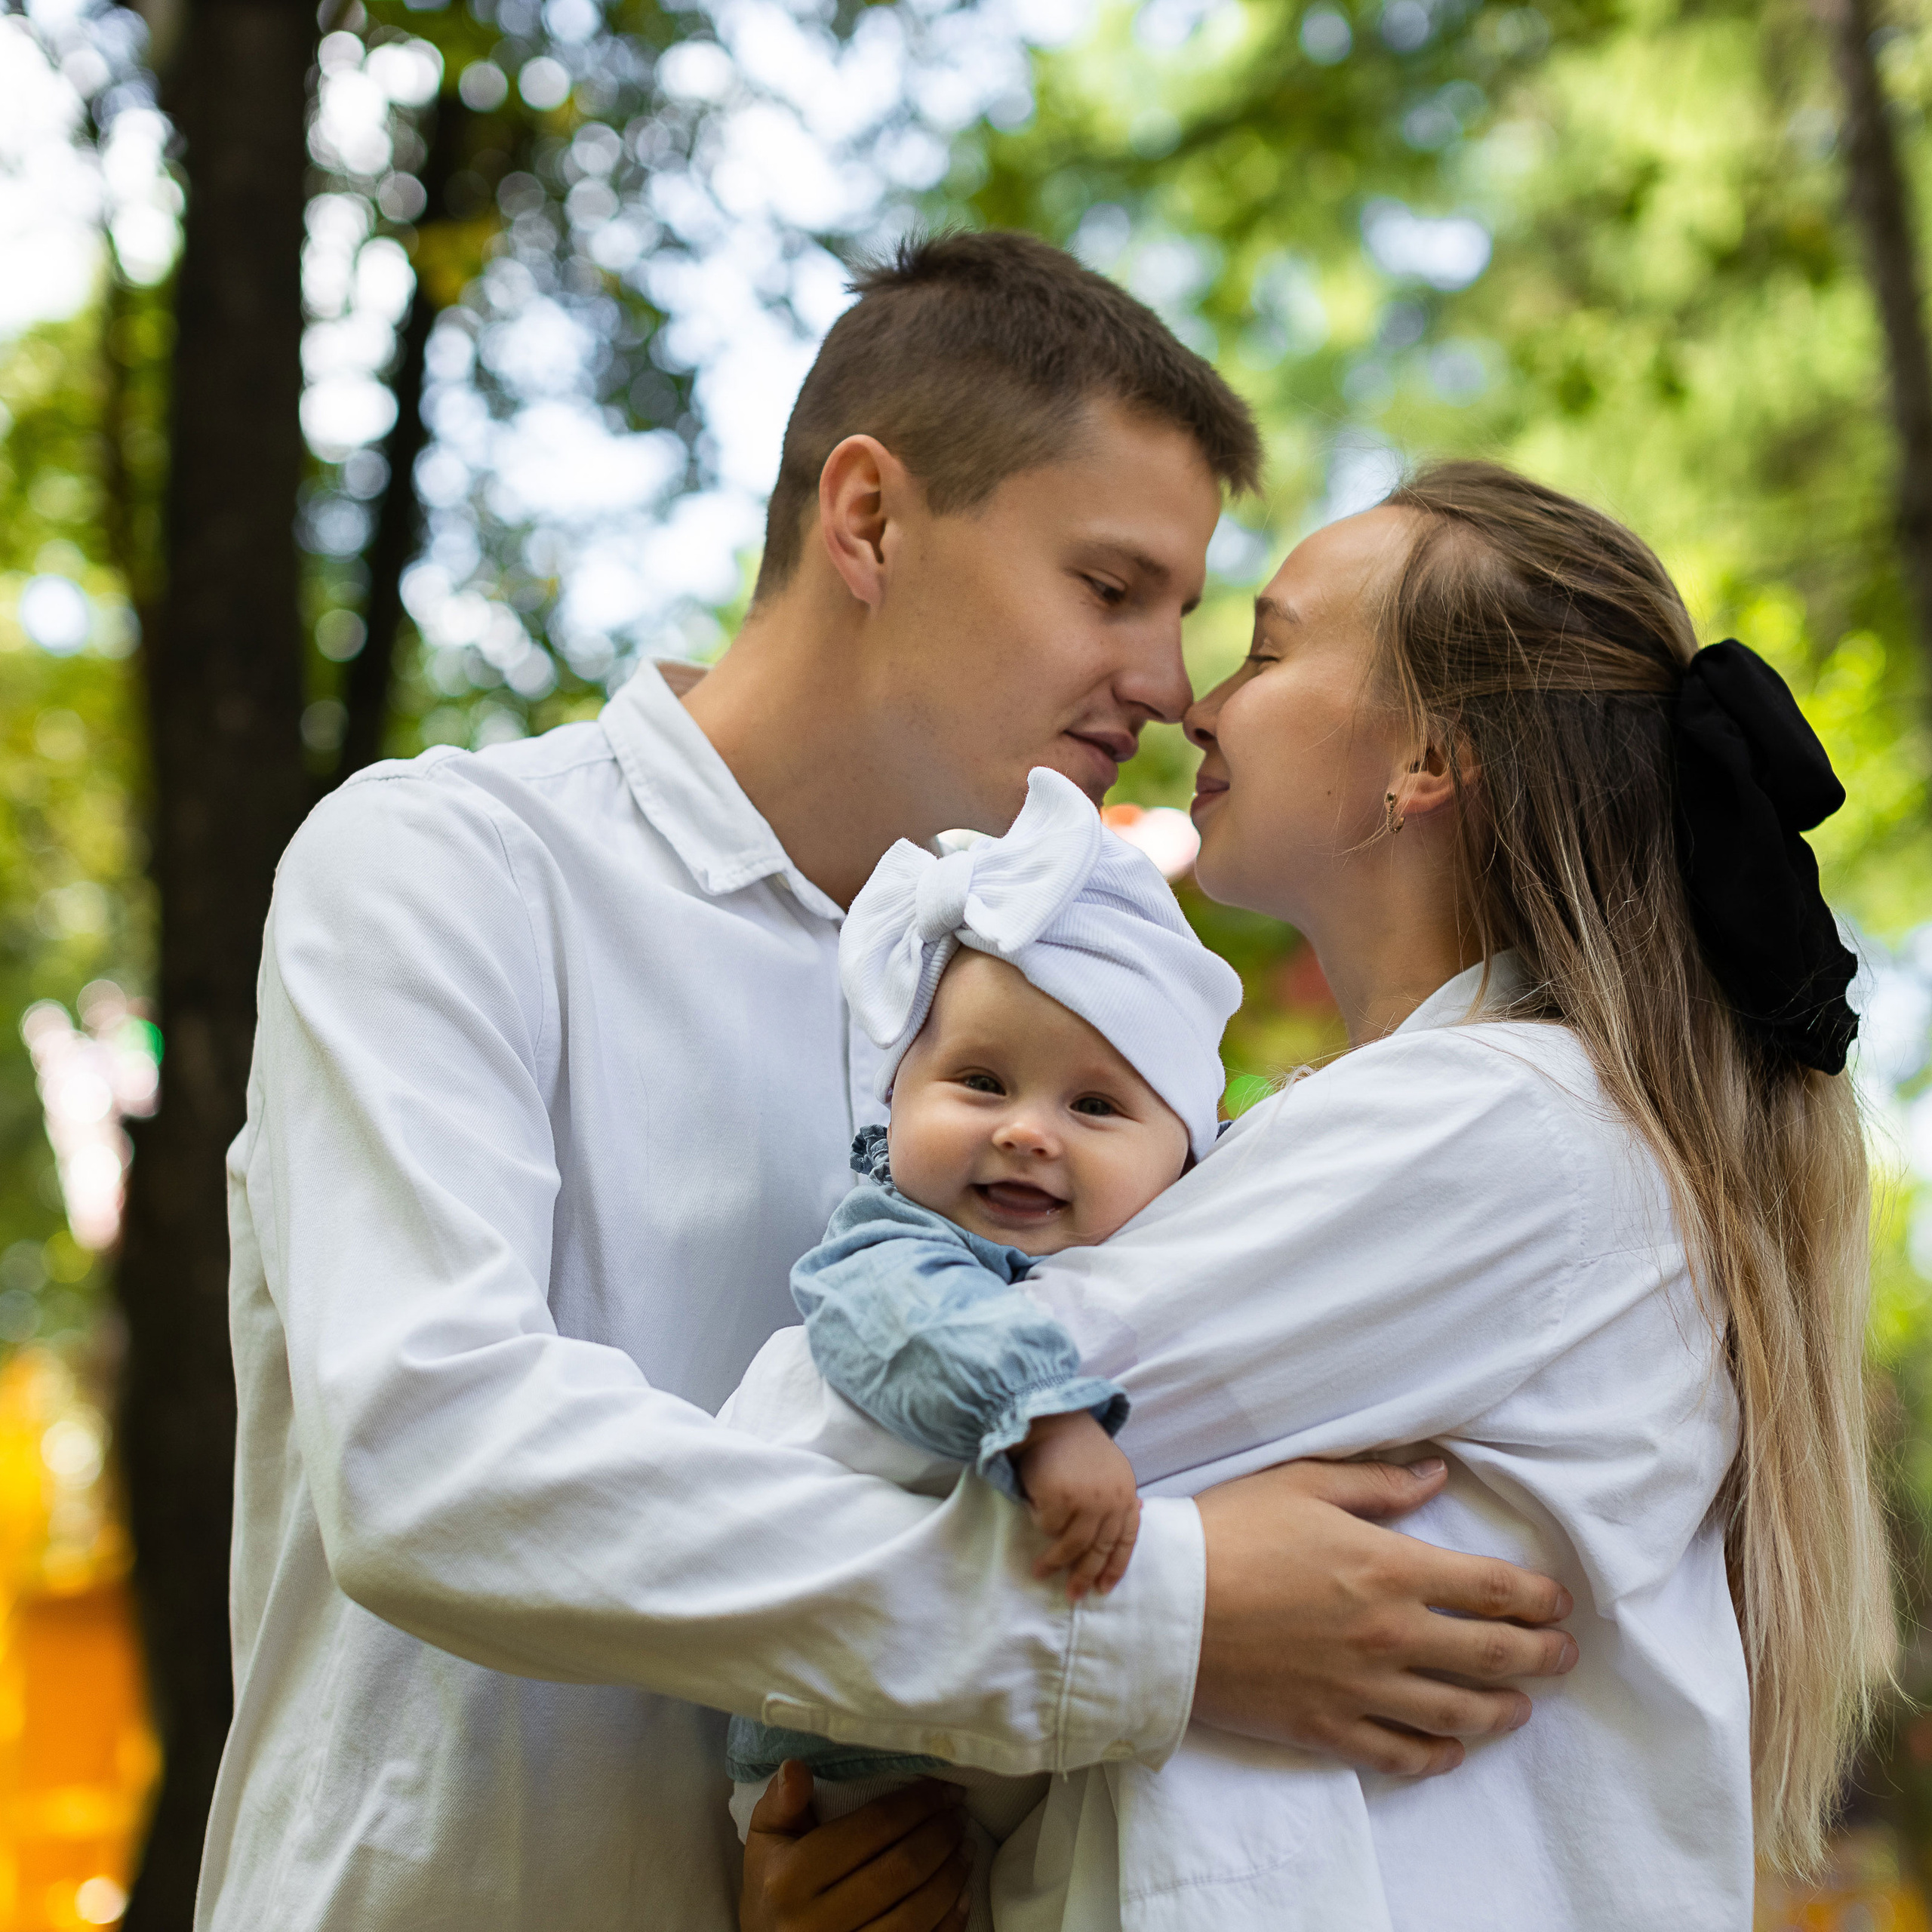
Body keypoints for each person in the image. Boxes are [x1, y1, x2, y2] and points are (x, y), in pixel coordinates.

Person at [196, 237, 1576, 1932]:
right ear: (866, 520)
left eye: (1183, 615)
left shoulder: (1091, 1046)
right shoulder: (451, 866)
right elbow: (435, 1458)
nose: (1165, 686)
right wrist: (1168, 1621)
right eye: (1108, 586)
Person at [747, 462, 1894, 1930]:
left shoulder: (1490, 1130)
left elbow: (859, 1439)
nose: (1193, 705)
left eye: (1268, 646)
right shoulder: (1407, 1126)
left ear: (1424, 754)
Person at [722, 766, 1244, 1921]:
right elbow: (913, 1329)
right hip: (857, 1747)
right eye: (979, 1080)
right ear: (894, 1098)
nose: (1024, 1131)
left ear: (1188, 1158)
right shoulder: (890, 1246)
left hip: (995, 1722)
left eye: (1096, 1107)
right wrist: (1042, 1419)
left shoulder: (1148, 1259)